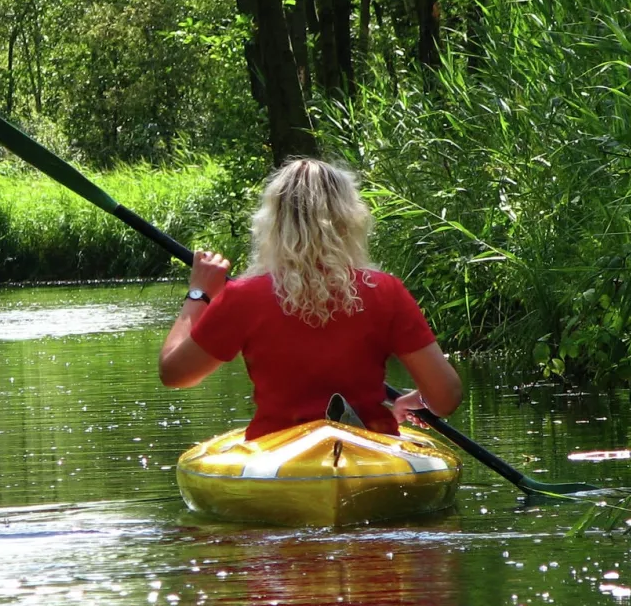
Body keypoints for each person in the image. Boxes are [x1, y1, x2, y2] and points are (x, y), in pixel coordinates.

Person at [158, 158, 461, 438]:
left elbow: (174, 374)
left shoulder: (244, 296)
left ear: (273, 223)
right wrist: (420, 398)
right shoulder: (386, 290)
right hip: (369, 446)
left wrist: (199, 292)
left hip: (279, 450)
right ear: (350, 220)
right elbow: (445, 399)